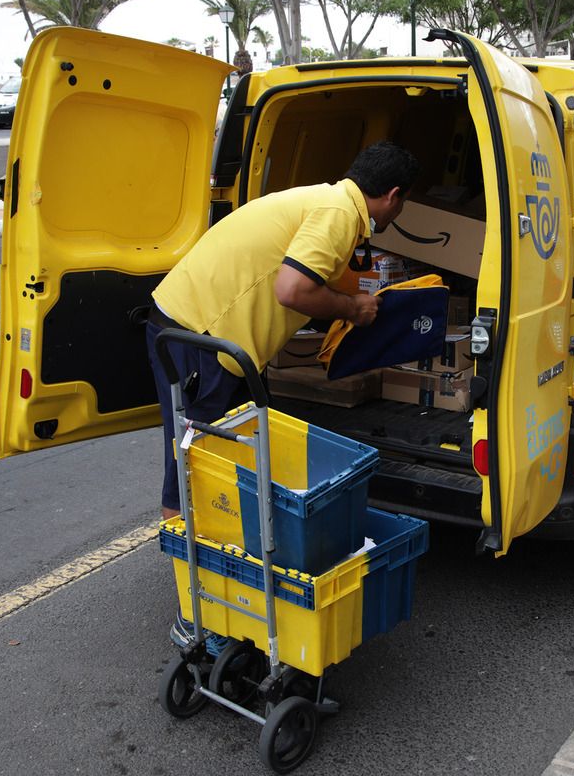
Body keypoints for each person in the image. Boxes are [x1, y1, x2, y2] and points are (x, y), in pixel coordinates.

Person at [147, 141, 419, 650]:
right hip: (200, 335)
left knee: (219, 463)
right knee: (193, 471)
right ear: (393, 196)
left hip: (201, 329)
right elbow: (293, 289)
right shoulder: (339, 213)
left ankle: (228, 589)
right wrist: (352, 310)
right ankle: (195, 616)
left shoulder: (328, 200)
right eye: (402, 206)